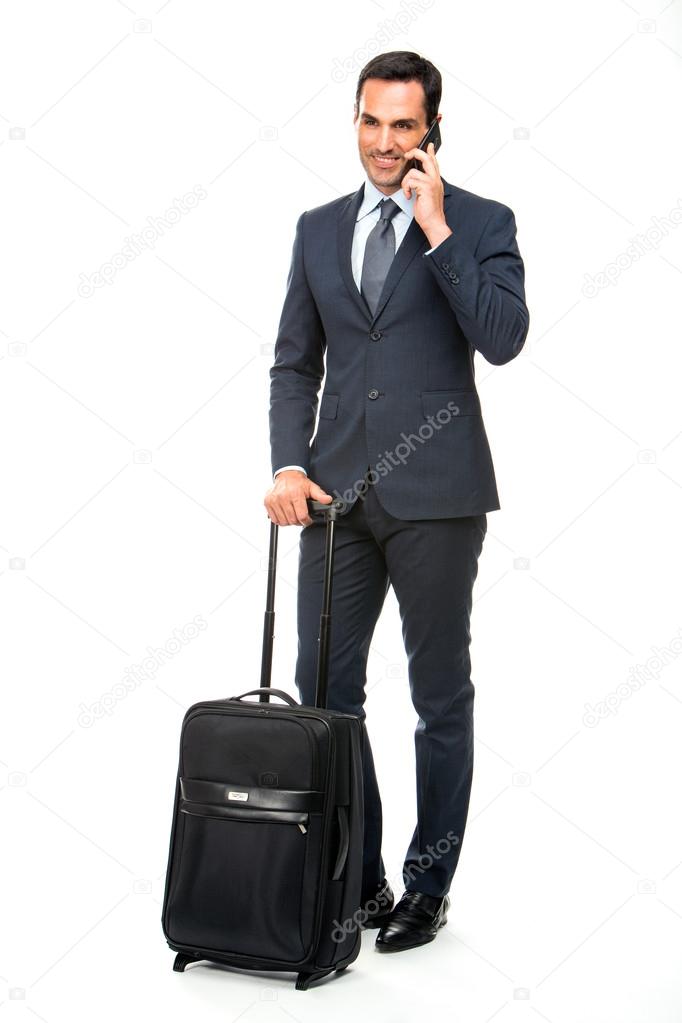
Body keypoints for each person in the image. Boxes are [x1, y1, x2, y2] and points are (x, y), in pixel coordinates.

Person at [264, 50, 529, 954]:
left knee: (437, 694)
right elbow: (296, 360)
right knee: (325, 690)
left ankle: (429, 883)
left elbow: (503, 339)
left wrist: (438, 226)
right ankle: (363, 871)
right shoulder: (315, 227)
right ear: (355, 121)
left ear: (433, 131)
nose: (385, 143)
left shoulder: (480, 223)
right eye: (371, 122)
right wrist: (288, 465)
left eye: (404, 126)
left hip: (438, 497)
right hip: (334, 496)